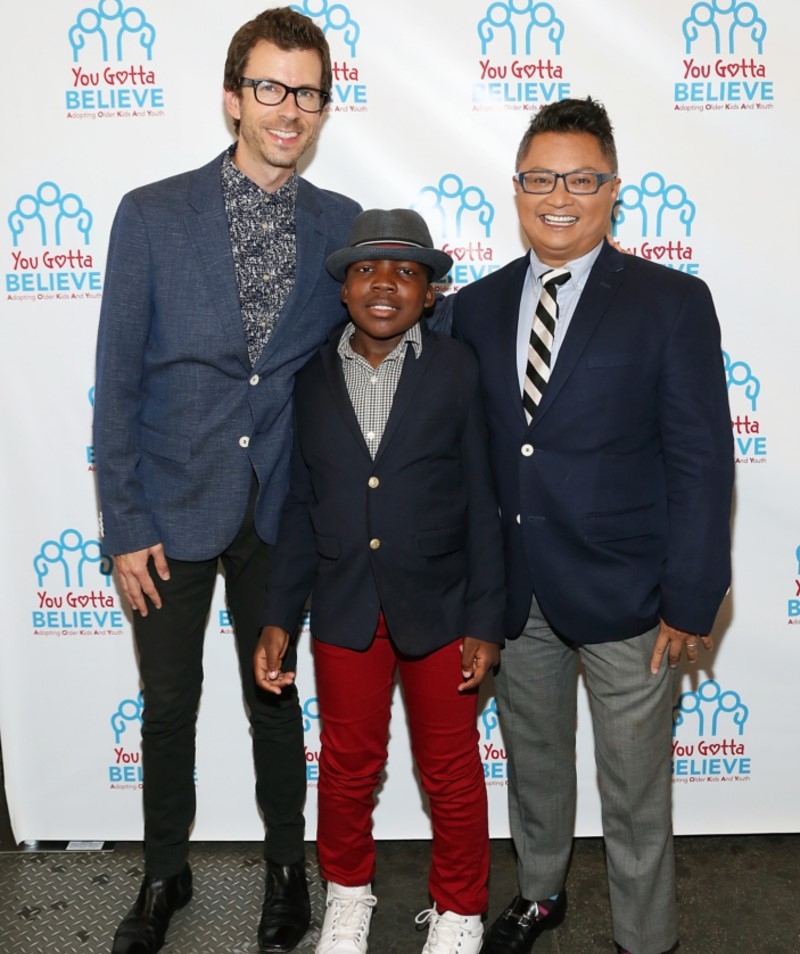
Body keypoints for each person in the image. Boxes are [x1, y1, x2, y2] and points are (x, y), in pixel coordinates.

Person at [93, 8, 361, 954]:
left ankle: (291, 870)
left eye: (308, 91)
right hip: (166, 505)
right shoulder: (152, 213)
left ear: (324, 105)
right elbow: (117, 379)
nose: (290, 109)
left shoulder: (345, 227)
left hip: (282, 507)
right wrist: (122, 521)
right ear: (233, 97)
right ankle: (165, 872)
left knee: (276, 699)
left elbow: (396, 331)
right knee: (167, 707)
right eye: (271, 88)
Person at [448, 98, 734, 954]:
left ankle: (646, 938)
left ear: (613, 190)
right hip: (518, 593)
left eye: (580, 178)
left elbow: (700, 460)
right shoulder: (475, 307)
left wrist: (691, 597)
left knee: (635, 787)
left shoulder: (671, 302)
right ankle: (539, 894)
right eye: (540, 179)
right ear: (516, 189)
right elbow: (475, 463)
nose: (558, 196)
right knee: (533, 762)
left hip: (631, 596)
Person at [253, 208, 506, 954]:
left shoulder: (459, 370)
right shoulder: (309, 380)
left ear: (431, 293)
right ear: (343, 289)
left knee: (451, 768)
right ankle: (348, 897)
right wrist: (278, 615)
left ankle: (461, 909)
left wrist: (486, 620)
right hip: (343, 608)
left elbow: (484, 502)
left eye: (406, 271)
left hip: (442, 609)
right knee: (347, 765)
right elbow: (300, 506)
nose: (385, 283)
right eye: (367, 269)